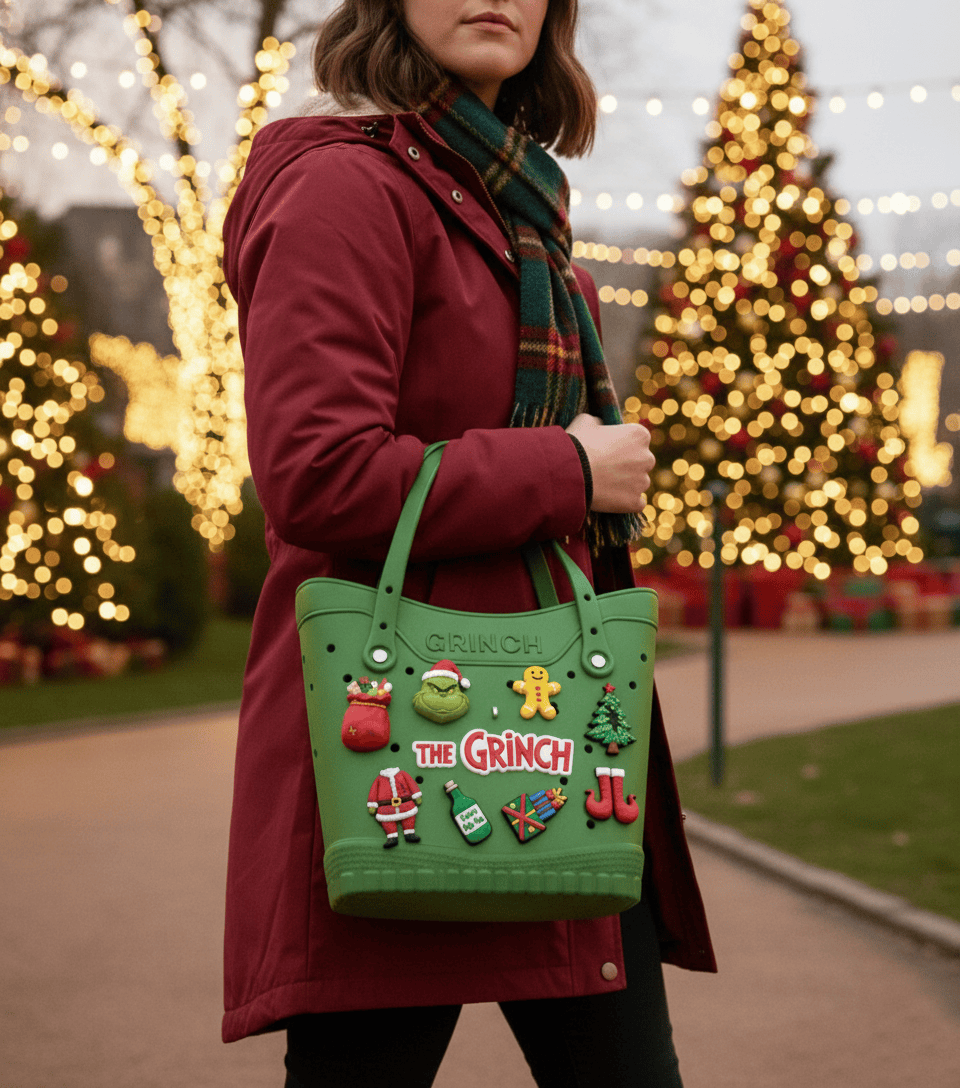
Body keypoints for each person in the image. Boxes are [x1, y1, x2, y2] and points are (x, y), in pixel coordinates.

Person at [221, 2, 716, 1085]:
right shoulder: (342, 188)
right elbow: (317, 471)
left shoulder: (527, 219)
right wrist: (569, 472)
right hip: (399, 750)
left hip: (553, 745)